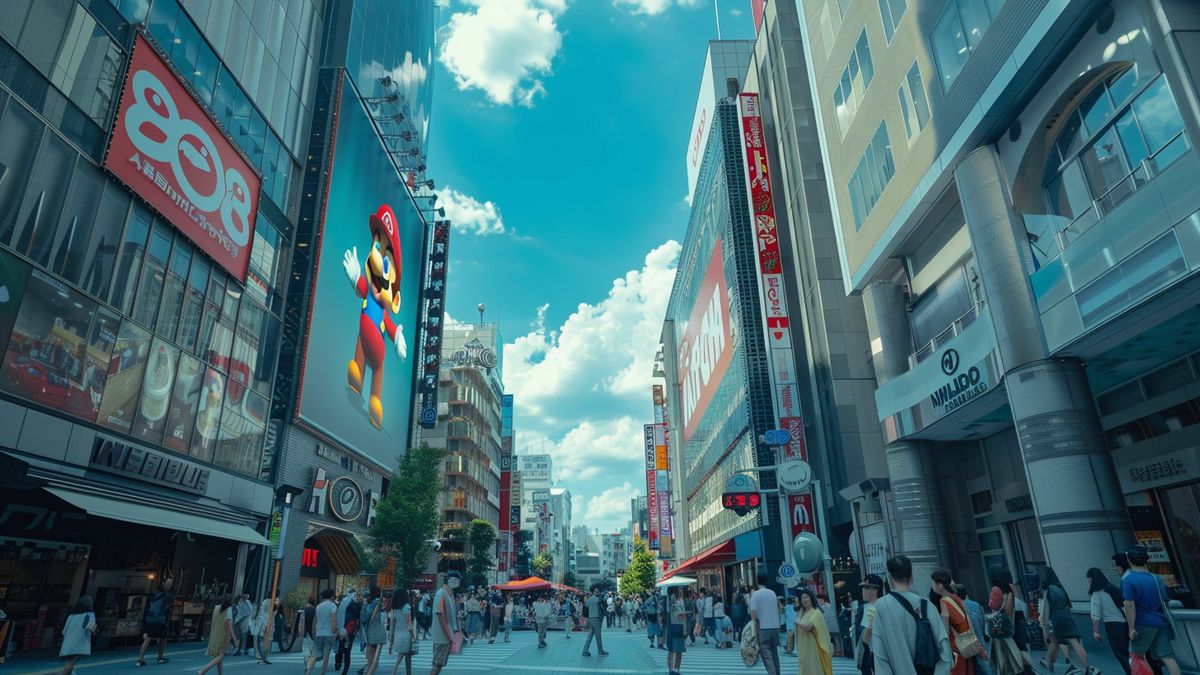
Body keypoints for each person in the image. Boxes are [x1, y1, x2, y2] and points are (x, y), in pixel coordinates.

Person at [870, 555, 952, 675]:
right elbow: (944, 649)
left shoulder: (881, 606)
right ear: (911, 576)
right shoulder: (927, 605)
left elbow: (880, 655)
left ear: (889, 577)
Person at [1122, 545, 1181, 675]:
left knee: (1137, 656)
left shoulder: (1128, 580)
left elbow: (1130, 605)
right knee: (1167, 656)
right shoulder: (1156, 578)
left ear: (1129, 559)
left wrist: (1131, 628)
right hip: (1161, 621)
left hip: (1142, 623)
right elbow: (1165, 599)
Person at [1038, 567, 1094, 675]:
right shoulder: (1060, 588)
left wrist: (1045, 627)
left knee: (1068, 641)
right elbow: (1067, 605)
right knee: (1058, 641)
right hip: (1067, 616)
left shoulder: (1048, 591)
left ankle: (1087, 668)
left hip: (1057, 619)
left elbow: (1046, 610)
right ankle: (1049, 663)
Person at [932, 570, 976, 675]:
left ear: (940, 585)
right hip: (965, 642)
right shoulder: (956, 598)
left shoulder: (943, 601)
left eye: (933, 583)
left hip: (954, 645)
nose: (932, 586)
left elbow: (945, 630)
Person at [1087, 568, 1129, 675]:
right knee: (1129, 651)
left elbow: (1095, 614)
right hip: (1126, 623)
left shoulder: (1097, 593)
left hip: (1112, 625)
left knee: (1120, 653)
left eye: (1089, 579)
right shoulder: (1112, 588)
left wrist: (1095, 631)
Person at [137, 578, 175, 666]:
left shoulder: (162, 595)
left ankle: (158, 657)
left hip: (158, 619)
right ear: (163, 583)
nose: (170, 585)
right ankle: (142, 658)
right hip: (156, 619)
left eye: (171, 583)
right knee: (150, 638)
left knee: (162, 638)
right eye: (168, 583)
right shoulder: (162, 595)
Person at [954, 584, 991, 675]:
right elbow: (983, 624)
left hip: (967, 643)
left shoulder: (956, 608)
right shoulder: (977, 605)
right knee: (986, 667)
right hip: (980, 640)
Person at [430, 571, 462, 675]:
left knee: (439, 664)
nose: (455, 582)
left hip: (446, 636)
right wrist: (449, 636)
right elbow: (440, 614)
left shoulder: (450, 595)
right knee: (437, 665)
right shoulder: (441, 594)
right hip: (441, 636)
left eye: (457, 580)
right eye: (453, 580)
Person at [796, 588, 834, 675]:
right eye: (802, 598)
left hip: (813, 648)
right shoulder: (803, 613)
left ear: (811, 598)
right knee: (805, 668)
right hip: (804, 648)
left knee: (813, 669)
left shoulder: (816, 613)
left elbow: (808, 627)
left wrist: (797, 622)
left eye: (806, 597)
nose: (805, 600)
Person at [751, 574, 783, 675]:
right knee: (774, 653)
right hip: (775, 627)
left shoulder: (755, 594)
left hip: (763, 627)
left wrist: (755, 623)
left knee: (766, 654)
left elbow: (753, 613)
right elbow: (780, 608)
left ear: (757, 581)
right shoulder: (773, 593)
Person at [59, 596, 96, 675]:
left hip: (68, 642)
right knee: (72, 661)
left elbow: (64, 631)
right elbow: (90, 627)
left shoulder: (72, 616)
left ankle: (70, 673)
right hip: (79, 642)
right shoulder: (89, 614)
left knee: (70, 660)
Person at [199, 596, 236, 675]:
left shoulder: (216, 608)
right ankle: (203, 670)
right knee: (221, 656)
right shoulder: (228, 610)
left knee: (219, 656)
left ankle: (220, 674)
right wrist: (235, 639)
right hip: (223, 636)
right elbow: (230, 626)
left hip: (215, 634)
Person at [856, 574, 884, 675]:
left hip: (873, 653)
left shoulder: (871, 608)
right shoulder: (866, 607)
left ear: (875, 590)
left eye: (866, 587)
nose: (863, 591)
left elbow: (866, 637)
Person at [309, 589, 339, 675]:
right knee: (326, 655)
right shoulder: (333, 606)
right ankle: (322, 673)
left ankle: (308, 671)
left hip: (319, 633)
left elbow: (314, 621)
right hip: (328, 633)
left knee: (314, 655)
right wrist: (334, 630)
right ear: (332, 597)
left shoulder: (318, 606)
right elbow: (333, 619)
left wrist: (313, 633)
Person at [359, 587, 387, 675]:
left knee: (370, 660)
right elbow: (373, 617)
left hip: (368, 632)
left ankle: (366, 672)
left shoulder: (366, 604)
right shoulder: (378, 603)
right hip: (378, 630)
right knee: (375, 661)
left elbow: (362, 618)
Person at [388, 590, 415, 675]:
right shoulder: (406, 607)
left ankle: (394, 672)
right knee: (405, 656)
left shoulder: (395, 609)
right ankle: (395, 672)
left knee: (401, 655)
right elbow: (409, 624)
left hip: (397, 635)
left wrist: (391, 643)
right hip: (406, 635)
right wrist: (414, 636)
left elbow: (392, 624)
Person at [335, 588, 361, 675]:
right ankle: (344, 671)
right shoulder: (353, 604)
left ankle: (338, 662)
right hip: (349, 630)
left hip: (342, 628)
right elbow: (358, 613)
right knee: (347, 651)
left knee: (341, 647)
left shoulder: (343, 602)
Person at [665, 586, 687, 675]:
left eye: (682, 589)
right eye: (679, 589)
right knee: (672, 649)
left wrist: (685, 629)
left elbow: (683, 616)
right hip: (673, 626)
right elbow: (672, 613)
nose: (681, 591)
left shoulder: (682, 601)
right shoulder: (670, 600)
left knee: (679, 650)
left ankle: (677, 669)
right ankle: (671, 670)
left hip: (680, 626)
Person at [582, 586, 609, 656]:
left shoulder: (590, 599)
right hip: (597, 618)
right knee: (598, 635)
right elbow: (605, 605)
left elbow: (586, 605)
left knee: (590, 635)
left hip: (591, 618)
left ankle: (585, 650)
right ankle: (600, 651)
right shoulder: (599, 599)